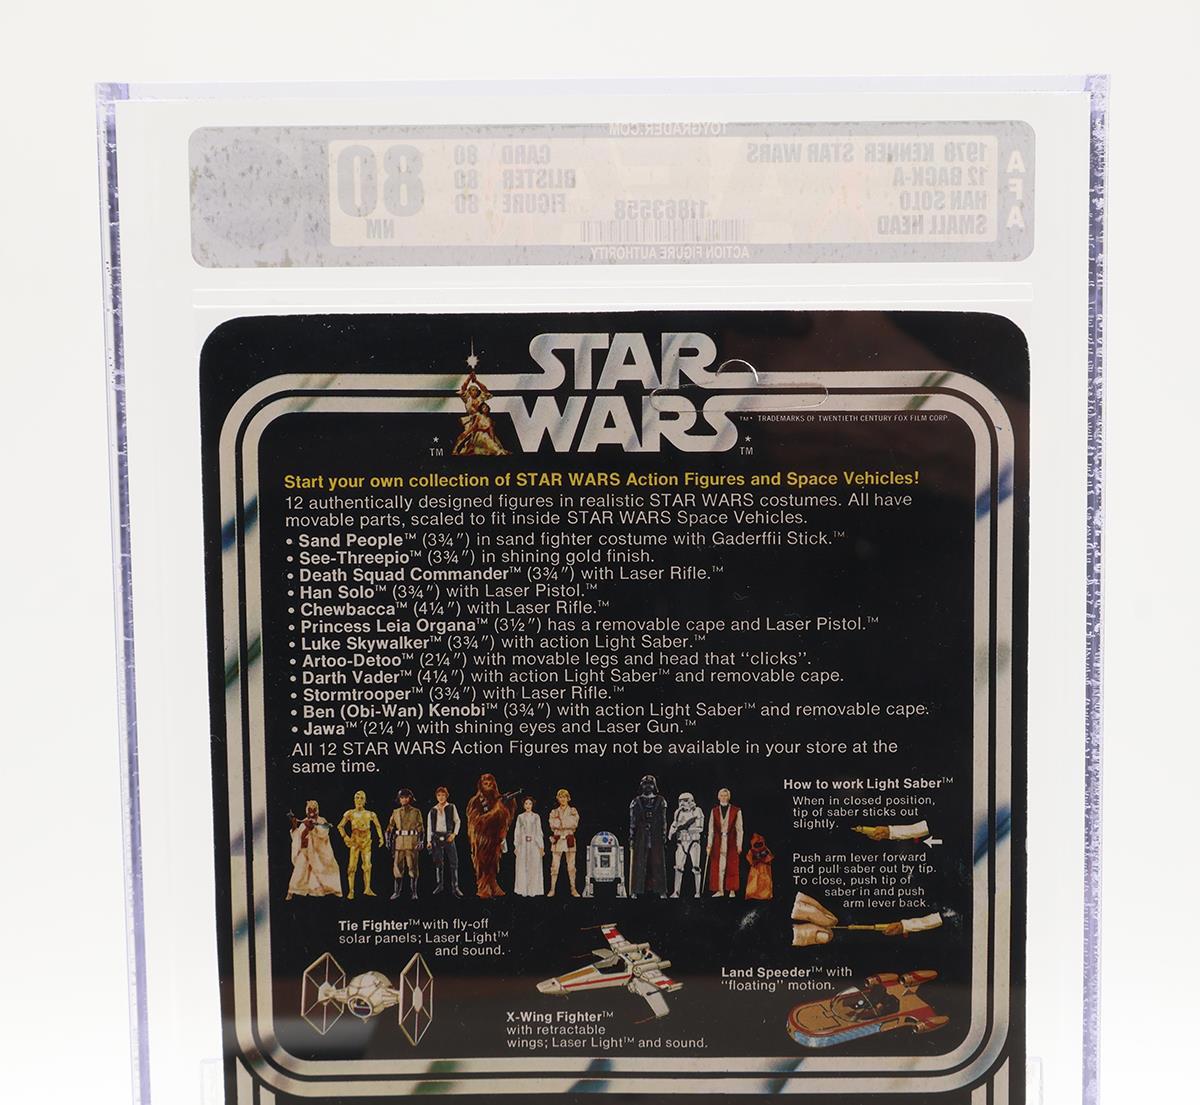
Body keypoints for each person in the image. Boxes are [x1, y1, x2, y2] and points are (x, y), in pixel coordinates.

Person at [466, 773, 517, 897]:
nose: (488, 786)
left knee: (493, 864)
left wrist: (509, 803)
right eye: (485, 784)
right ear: (481, 786)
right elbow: (476, 822)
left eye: (490, 784)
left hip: (495, 838)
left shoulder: (497, 799)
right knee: (482, 865)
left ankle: (493, 885)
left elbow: (506, 818)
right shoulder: (475, 801)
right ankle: (483, 887)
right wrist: (496, 810)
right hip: (481, 839)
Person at [285, 800, 342, 899]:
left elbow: (323, 833)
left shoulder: (322, 821)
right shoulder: (304, 822)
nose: (312, 813)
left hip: (318, 854)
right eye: (309, 810)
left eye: (314, 810)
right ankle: (292, 892)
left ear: (317, 811)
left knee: (330, 870)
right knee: (299, 871)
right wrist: (295, 825)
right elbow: (297, 837)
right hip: (305, 852)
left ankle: (333, 890)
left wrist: (313, 828)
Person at [337, 790, 384, 899]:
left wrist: (381, 837)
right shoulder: (350, 813)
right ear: (354, 800)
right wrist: (345, 837)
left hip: (366, 842)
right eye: (357, 798)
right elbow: (340, 826)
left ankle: (367, 888)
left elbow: (378, 826)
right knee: (351, 867)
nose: (359, 800)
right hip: (354, 842)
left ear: (365, 800)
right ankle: (351, 891)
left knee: (367, 866)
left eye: (361, 798)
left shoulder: (370, 814)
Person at [628, 774, 669, 898]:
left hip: (656, 835)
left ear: (654, 786)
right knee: (639, 862)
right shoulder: (636, 801)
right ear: (642, 786)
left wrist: (663, 834)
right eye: (645, 784)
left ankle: (661, 891)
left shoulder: (660, 800)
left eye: (650, 784)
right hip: (641, 835)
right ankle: (635, 890)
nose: (648, 786)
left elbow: (663, 820)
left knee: (658, 862)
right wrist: (631, 837)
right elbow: (633, 821)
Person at [452, 372, 509, 456]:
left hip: (480, 418)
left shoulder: (480, 398)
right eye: (473, 390)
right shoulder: (467, 399)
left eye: (476, 390)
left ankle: (492, 449)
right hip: (471, 419)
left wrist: (476, 381)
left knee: (487, 434)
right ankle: (456, 449)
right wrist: (469, 378)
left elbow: (485, 390)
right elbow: (463, 388)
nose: (475, 391)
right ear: (469, 392)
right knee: (467, 434)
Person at [386, 788, 424, 900]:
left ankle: (414, 892)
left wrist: (421, 841)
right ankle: (397, 892)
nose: (404, 799)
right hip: (399, 844)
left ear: (410, 798)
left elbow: (421, 828)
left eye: (406, 797)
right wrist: (388, 840)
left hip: (412, 843)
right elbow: (390, 827)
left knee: (413, 868)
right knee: (397, 868)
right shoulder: (395, 812)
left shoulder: (416, 812)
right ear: (399, 799)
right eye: (402, 797)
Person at [705, 787, 744, 897]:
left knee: (732, 866)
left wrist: (739, 844)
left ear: (729, 797)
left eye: (725, 795)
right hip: (718, 842)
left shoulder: (736, 810)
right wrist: (709, 845)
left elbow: (740, 829)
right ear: (718, 797)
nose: (723, 798)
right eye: (721, 795)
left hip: (731, 842)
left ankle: (732, 890)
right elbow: (711, 830)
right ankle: (720, 890)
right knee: (719, 867)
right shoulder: (714, 811)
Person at [426, 786, 463, 897]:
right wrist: (428, 841)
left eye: (443, 795)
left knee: (454, 861)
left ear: (446, 796)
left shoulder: (451, 807)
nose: (441, 797)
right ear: (436, 797)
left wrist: (454, 834)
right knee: (438, 861)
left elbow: (457, 821)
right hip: (436, 837)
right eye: (439, 795)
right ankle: (440, 885)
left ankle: (455, 887)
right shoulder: (432, 810)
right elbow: (429, 826)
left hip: (448, 836)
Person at [668, 792, 705, 898]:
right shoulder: (678, 812)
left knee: (696, 867)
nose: (682, 803)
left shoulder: (697, 811)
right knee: (678, 868)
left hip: (693, 841)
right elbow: (674, 823)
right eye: (680, 801)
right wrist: (671, 832)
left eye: (685, 800)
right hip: (681, 842)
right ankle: (676, 892)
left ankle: (697, 892)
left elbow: (700, 828)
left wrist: (686, 828)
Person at [547, 788, 581, 897]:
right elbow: (552, 824)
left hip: (569, 840)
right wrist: (563, 822)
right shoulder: (554, 811)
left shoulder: (573, 811)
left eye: (564, 797)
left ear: (568, 798)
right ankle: (552, 889)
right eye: (560, 797)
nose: (562, 799)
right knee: (554, 867)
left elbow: (574, 823)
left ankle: (573, 889)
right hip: (557, 841)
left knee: (571, 867)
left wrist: (560, 822)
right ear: (558, 799)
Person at [513, 797, 545, 896]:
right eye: (526, 803)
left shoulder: (536, 817)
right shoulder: (520, 817)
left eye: (530, 804)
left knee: (534, 866)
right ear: (523, 805)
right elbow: (517, 832)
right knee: (522, 867)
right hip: (523, 844)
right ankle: (523, 890)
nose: (528, 806)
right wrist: (516, 846)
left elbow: (539, 831)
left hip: (534, 844)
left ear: (532, 805)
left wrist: (541, 847)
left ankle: (533, 891)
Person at [744, 832, 774, 900]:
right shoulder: (751, 851)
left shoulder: (766, 850)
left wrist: (759, 858)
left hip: (764, 870)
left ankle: (765, 895)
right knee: (753, 883)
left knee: (765, 883)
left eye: (760, 844)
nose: (758, 846)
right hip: (755, 870)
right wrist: (758, 858)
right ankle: (752, 895)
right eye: (756, 844)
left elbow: (769, 858)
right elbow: (750, 860)